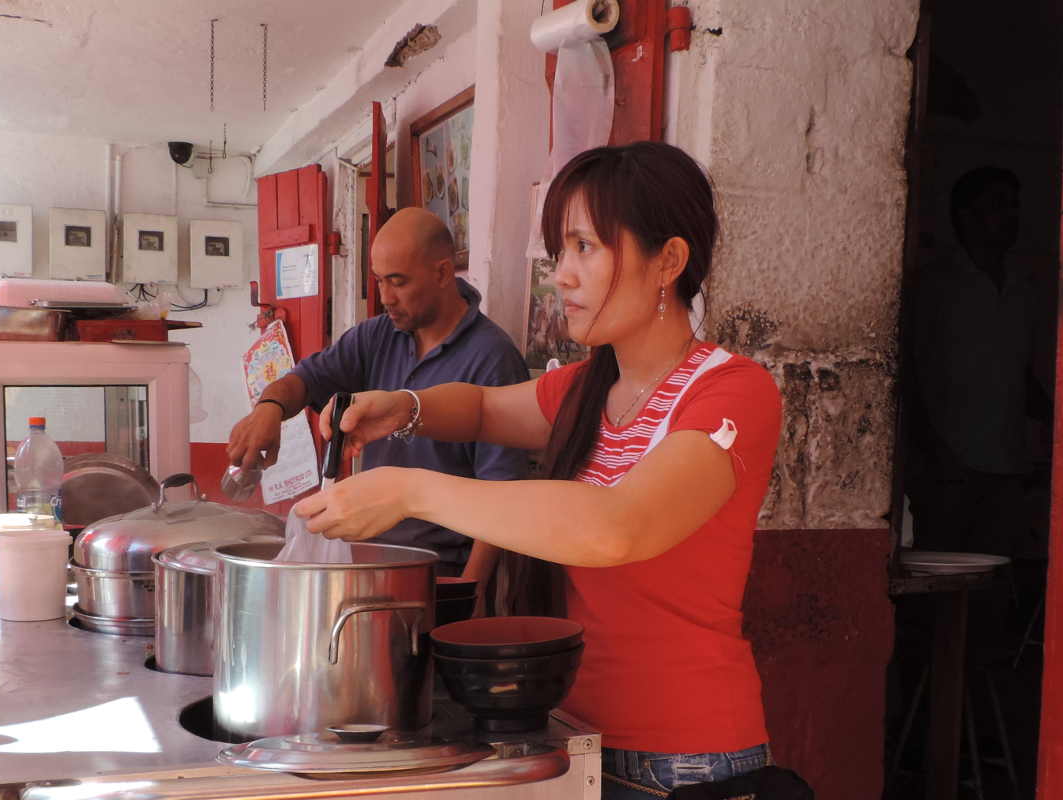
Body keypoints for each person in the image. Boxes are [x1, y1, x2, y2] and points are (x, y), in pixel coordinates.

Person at [296, 142, 785, 799]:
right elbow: (480, 410)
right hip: (567, 736)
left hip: (683, 761)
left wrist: (410, 489)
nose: (564, 275)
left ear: (668, 260)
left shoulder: (733, 393)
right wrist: (403, 409)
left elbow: (617, 529)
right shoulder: (589, 388)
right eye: (561, 251)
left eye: (586, 247)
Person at [226, 207, 529, 578]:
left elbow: (501, 491)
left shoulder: (492, 358)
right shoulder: (376, 336)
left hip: (438, 570)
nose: (385, 297)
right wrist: (269, 408)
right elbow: (306, 379)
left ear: (443, 273)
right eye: (379, 280)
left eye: (398, 282)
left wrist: (471, 592)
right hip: (366, 558)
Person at [905, 166, 1052, 558]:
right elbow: (908, 371)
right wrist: (926, 448)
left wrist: (1055, 428)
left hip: (1008, 458)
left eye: (1014, 206)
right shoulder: (936, 285)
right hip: (947, 461)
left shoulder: (1024, 285)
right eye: (998, 206)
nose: (1011, 216)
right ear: (965, 216)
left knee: (997, 576)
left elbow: (1015, 368)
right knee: (942, 573)